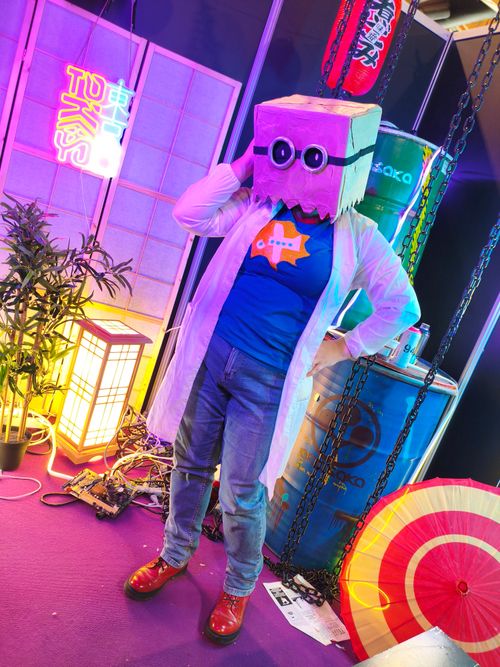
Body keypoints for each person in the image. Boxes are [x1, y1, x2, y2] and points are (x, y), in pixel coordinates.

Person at [124, 99, 420, 645]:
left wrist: (344, 347)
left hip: (268, 382)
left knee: (241, 490)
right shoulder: (262, 203)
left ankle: (238, 586)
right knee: (190, 464)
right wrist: (246, 165)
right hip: (210, 358)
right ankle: (175, 553)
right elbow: (190, 214)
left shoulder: (359, 236)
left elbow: (403, 306)